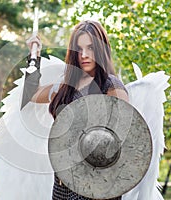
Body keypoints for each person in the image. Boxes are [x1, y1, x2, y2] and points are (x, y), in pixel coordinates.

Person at [25, 20, 128, 200]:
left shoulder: (111, 86)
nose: (84, 55)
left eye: (90, 48)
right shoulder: (66, 87)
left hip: (96, 190)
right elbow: (31, 94)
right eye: (79, 49)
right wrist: (34, 56)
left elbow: (122, 143)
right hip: (62, 187)